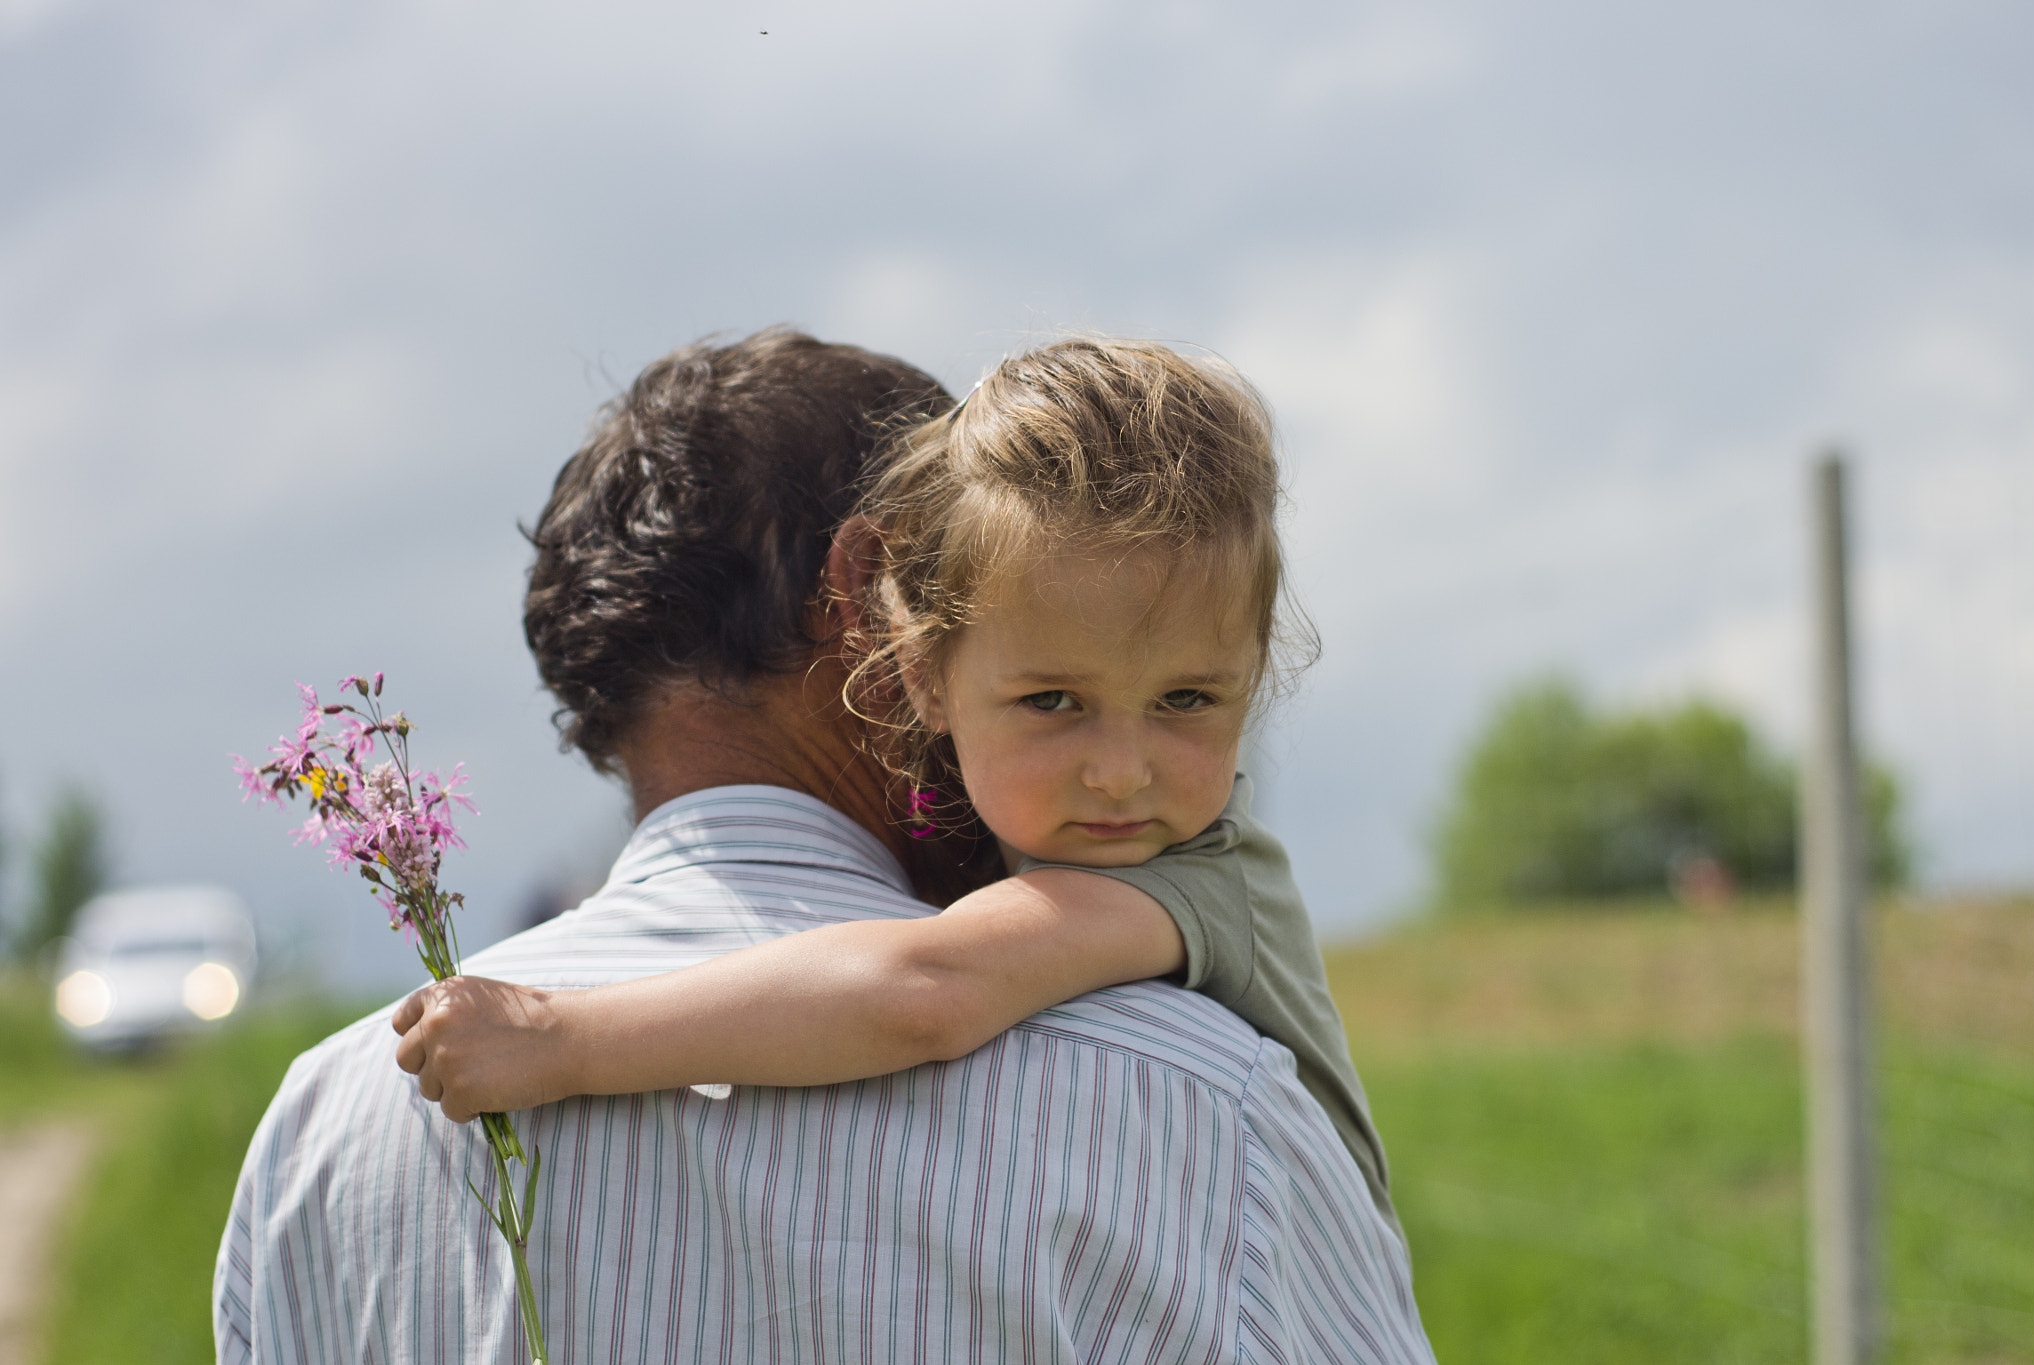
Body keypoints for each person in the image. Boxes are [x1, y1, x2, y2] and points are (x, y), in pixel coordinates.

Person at [216, 328, 1431, 1365]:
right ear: (889, 621)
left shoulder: (323, 1128)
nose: (1117, 770)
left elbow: (924, 992)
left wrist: (563, 1037)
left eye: (1183, 700)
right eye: (1049, 694)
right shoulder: (1191, 1102)